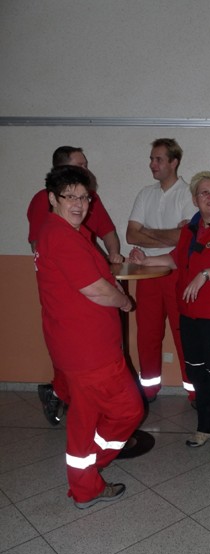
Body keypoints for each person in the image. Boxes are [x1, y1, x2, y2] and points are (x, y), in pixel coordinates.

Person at [34, 165, 143, 508]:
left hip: (75, 347)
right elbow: (94, 289)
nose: (79, 204)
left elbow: (92, 275)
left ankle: (85, 484)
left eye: (84, 197)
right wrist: (124, 301)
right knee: (128, 411)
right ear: (53, 198)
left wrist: (113, 284)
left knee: (85, 418)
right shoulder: (61, 236)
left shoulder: (67, 232)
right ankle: (88, 472)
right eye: (70, 197)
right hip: (90, 353)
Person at [129, 171, 210, 456]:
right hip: (190, 314)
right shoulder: (191, 228)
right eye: (204, 192)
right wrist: (146, 260)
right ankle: (207, 427)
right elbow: (175, 259)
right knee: (197, 374)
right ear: (195, 199)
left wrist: (205, 274)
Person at [27, 146, 123, 426]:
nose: (86, 169)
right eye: (80, 165)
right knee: (79, 371)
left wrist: (112, 256)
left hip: (89, 300)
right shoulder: (46, 206)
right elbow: (41, 246)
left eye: (83, 197)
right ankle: (63, 398)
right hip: (70, 301)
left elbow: (106, 231)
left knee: (85, 378)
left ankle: (83, 415)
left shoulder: (88, 199)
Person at [126, 138, 196, 405]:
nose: (152, 164)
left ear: (174, 162)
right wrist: (170, 235)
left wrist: (148, 232)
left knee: (183, 333)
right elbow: (131, 234)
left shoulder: (188, 194)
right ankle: (149, 388)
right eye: (151, 159)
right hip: (147, 272)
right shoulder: (146, 194)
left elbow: (186, 239)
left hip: (178, 272)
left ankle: (194, 391)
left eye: (158, 159)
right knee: (148, 334)